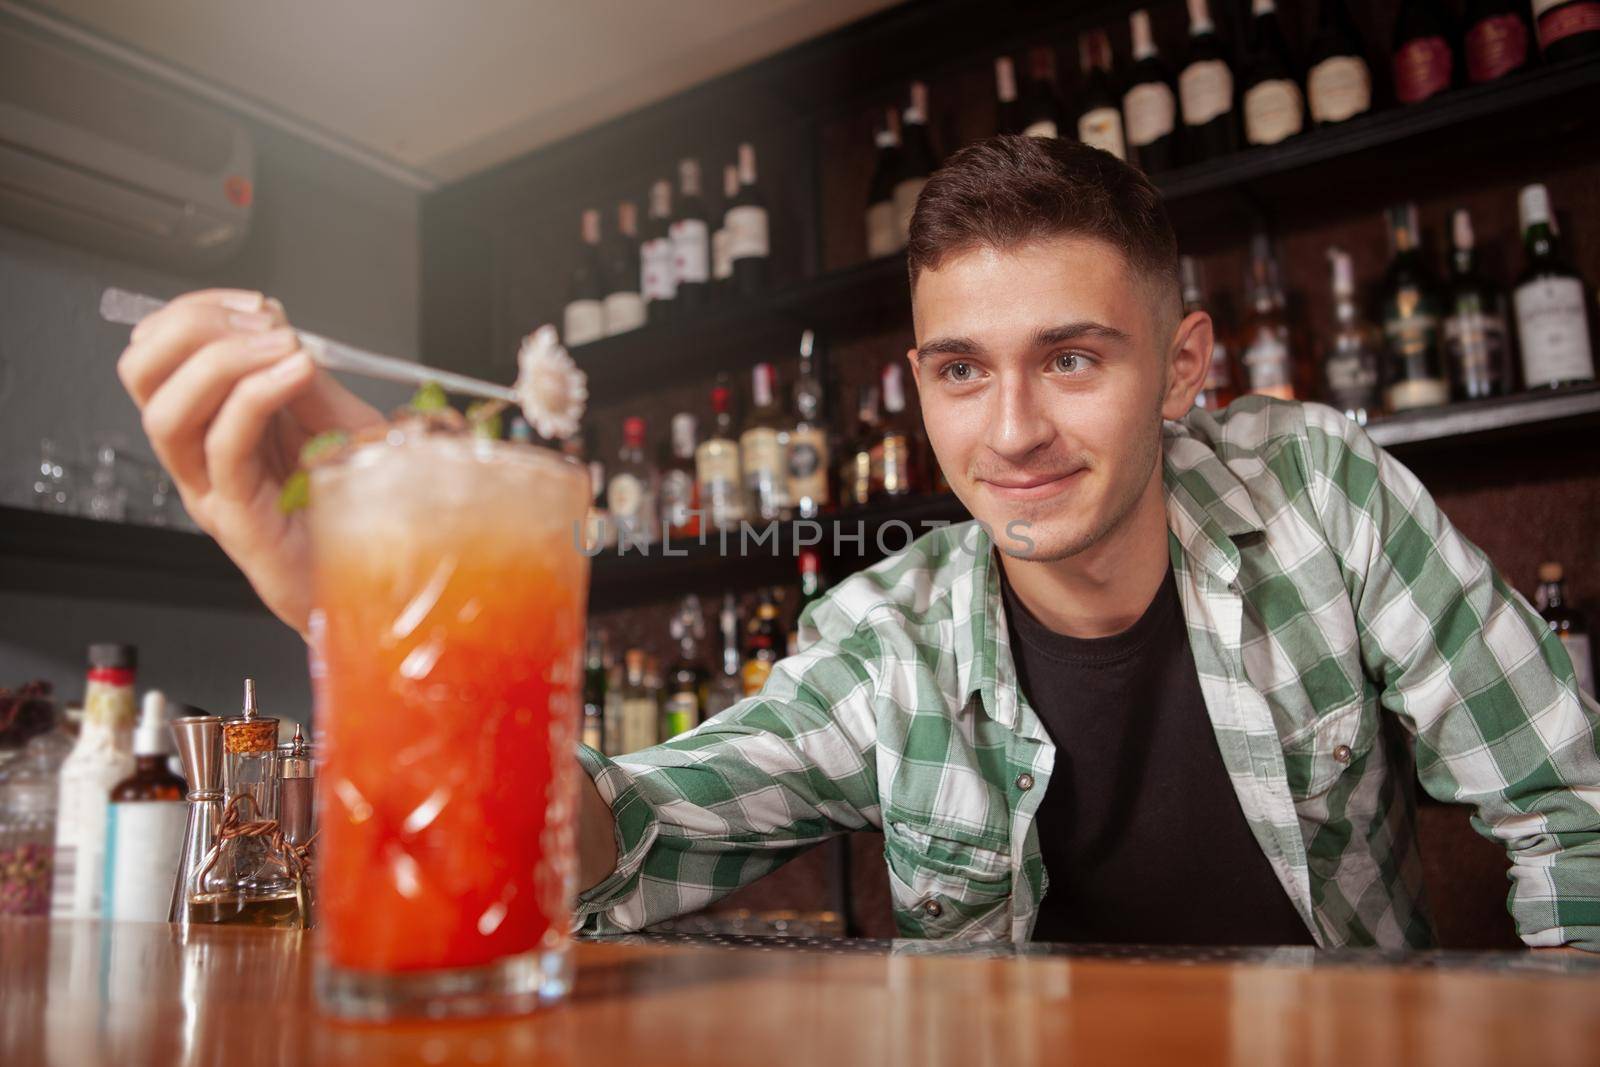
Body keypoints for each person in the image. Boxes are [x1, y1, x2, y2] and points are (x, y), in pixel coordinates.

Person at [119, 136, 1600, 952]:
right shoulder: (889, 633)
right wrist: (388, 616)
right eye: (962, 370)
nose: (1009, 429)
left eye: (1073, 358)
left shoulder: (1324, 499)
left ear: (1188, 364)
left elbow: (1573, 811)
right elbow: (612, 849)